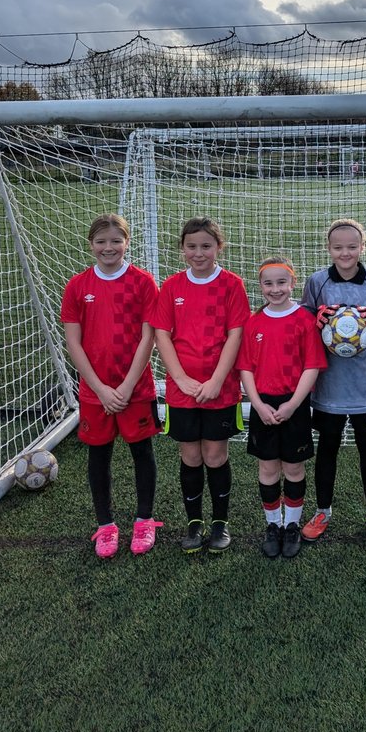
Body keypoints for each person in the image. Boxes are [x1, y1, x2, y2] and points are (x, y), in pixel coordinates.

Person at [61, 214, 162, 559]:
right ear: (91, 244)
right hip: (95, 392)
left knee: (142, 453)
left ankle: (144, 520)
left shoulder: (143, 282)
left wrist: (127, 385)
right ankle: (105, 526)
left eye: (116, 240)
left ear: (126, 243)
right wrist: (101, 389)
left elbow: (149, 337)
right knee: (98, 455)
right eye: (101, 241)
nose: (109, 247)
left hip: (136, 388)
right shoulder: (78, 286)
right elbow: (73, 343)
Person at [152, 217, 250, 554]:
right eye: (191, 246)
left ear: (218, 247)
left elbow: (236, 334)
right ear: (182, 249)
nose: (199, 253)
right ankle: (194, 523)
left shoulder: (232, 284)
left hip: (220, 389)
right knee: (191, 456)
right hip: (182, 391)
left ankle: (220, 522)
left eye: (206, 246)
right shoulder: (172, 286)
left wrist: (217, 380)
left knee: (215, 454)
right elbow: (162, 334)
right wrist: (180, 378)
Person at [299, 218, 366, 541]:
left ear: (362, 247)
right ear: (329, 249)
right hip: (328, 384)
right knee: (327, 448)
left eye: (352, 247)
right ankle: (322, 511)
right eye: (338, 247)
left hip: (364, 384)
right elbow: (303, 320)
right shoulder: (317, 281)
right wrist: (316, 320)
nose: (345, 253)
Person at [238, 256, 327, 559]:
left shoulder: (304, 320)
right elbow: (245, 368)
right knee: (267, 468)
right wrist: (257, 404)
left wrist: (292, 404)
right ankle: (273, 525)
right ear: (260, 286)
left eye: (281, 282)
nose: (275, 289)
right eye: (268, 283)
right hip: (263, 404)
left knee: (293, 467)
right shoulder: (254, 322)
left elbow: (312, 366)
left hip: (294, 404)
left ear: (293, 283)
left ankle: (292, 525)